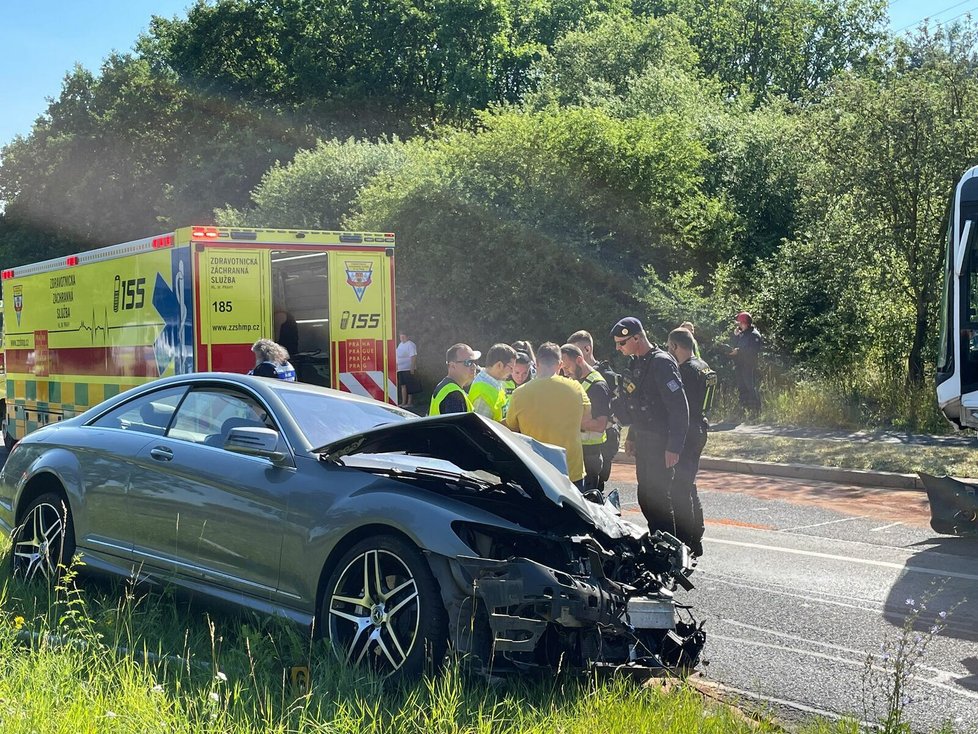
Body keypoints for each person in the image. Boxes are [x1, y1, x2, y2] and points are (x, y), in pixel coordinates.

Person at [610, 317, 689, 537]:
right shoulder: (637, 362)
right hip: (644, 438)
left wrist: (674, 446)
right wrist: (632, 436)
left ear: (637, 337)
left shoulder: (661, 362)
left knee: (659, 499)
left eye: (622, 342)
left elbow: (679, 408)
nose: (618, 348)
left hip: (660, 440)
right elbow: (637, 405)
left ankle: (670, 550)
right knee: (645, 496)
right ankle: (657, 542)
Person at [506, 342, 591, 491]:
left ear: (537, 363)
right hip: (571, 470)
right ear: (560, 364)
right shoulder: (576, 387)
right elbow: (586, 418)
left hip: (537, 470)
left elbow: (512, 426)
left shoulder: (519, 393)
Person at [666, 327, 717, 556]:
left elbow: (680, 406)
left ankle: (688, 539)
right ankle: (696, 533)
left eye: (669, 348)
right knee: (688, 483)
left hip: (688, 429)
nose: (669, 352)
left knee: (680, 487)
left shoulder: (685, 371)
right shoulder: (704, 366)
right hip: (701, 427)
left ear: (676, 346)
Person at [567, 330, 621, 495]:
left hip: (602, 440)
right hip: (580, 443)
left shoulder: (606, 377)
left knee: (596, 487)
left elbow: (615, 412)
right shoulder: (573, 374)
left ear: (587, 349)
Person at [559, 343, 611, 495]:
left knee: (587, 501)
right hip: (575, 451)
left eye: (567, 367)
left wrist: (568, 421)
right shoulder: (574, 380)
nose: (565, 372)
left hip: (590, 454)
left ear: (580, 360)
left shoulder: (597, 386)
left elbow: (601, 425)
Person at [469, 343, 516, 421]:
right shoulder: (482, 393)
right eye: (511, 367)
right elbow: (481, 428)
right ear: (499, 365)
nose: (512, 372)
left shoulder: (496, 382)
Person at [429, 343, 480, 415]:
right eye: (468, 362)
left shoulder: (447, 387)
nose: (474, 366)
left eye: (475, 362)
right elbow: (457, 426)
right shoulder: (453, 395)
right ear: (452, 366)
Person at [729, 311, 763, 417]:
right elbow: (735, 345)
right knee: (742, 387)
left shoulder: (754, 335)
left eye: (739, 323)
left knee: (750, 387)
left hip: (749, 366)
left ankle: (756, 411)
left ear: (745, 323)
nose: (738, 325)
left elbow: (753, 350)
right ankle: (744, 411)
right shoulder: (742, 334)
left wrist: (738, 351)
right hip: (740, 365)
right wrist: (735, 337)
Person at [396, 332, 419, 407]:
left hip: (408, 368)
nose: (402, 338)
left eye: (403, 337)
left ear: (407, 337)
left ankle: (409, 403)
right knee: (403, 385)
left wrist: (412, 367)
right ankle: (403, 402)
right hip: (400, 369)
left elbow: (413, 356)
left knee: (409, 385)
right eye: (401, 337)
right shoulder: (400, 345)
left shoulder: (410, 344)